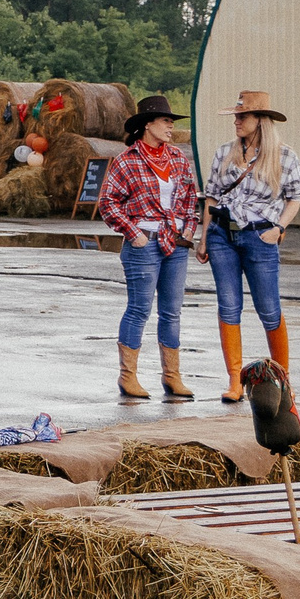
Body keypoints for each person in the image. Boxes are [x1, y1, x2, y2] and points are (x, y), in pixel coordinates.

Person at [200, 90, 300, 404]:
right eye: (235, 115)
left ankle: (283, 380)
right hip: (222, 235)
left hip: (259, 237)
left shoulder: (284, 156)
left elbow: (295, 196)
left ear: (261, 120)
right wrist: (203, 236)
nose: (236, 121)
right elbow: (211, 197)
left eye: (242, 116)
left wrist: (279, 229)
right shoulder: (224, 153)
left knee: (269, 309)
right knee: (229, 306)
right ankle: (235, 380)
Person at [99, 94, 200, 402]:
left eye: (171, 121)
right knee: (139, 309)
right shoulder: (127, 160)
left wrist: (187, 230)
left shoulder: (178, 158)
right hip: (143, 243)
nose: (171, 126)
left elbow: (190, 200)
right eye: (166, 121)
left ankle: (172, 377)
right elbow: (107, 202)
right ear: (147, 125)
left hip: (175, 244)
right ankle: (128, 377)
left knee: (172, 312)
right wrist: (133, 232)